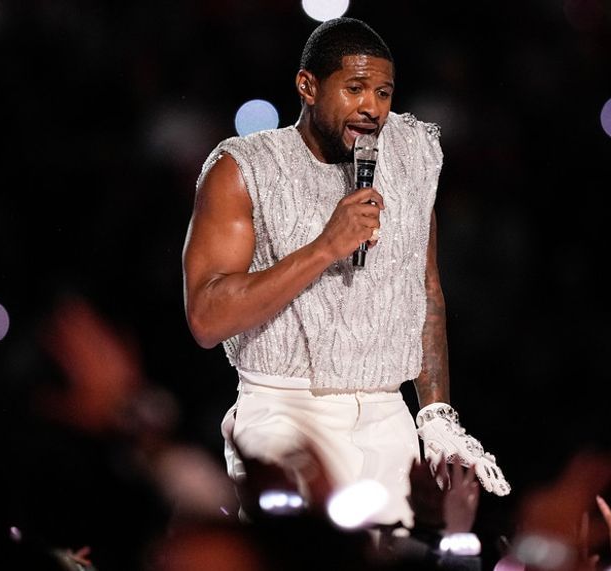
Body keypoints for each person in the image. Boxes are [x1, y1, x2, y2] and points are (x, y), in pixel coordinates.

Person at [181, 16, 509, 528]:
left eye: (383, 92)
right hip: (284, 410)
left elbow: (424, 291)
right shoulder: (245, 167)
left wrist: (436, 416)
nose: (372, 108)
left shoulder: (411, 154)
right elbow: (206, 316)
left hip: (386, 415)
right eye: (354, 89)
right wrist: (325, 247)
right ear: (307, 86)